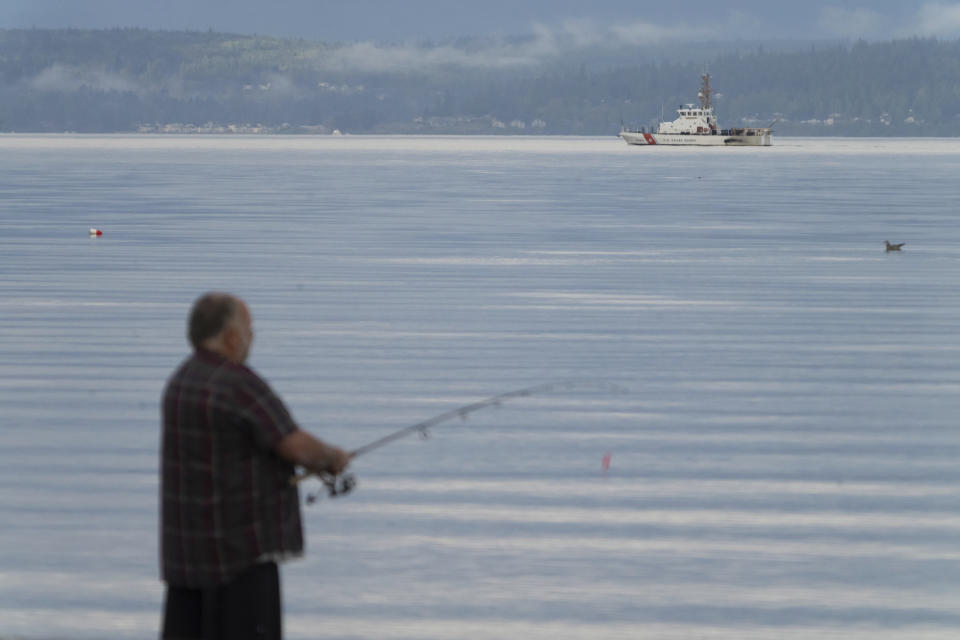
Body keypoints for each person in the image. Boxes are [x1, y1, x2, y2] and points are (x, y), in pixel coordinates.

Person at [160, 292, 350, 640]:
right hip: (240, 555)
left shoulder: (180, 382)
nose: (252, 337)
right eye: (250, 329)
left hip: (188, 556)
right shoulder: (239, 385)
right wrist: (332, 458)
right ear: (232, 336)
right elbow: (294, 445)